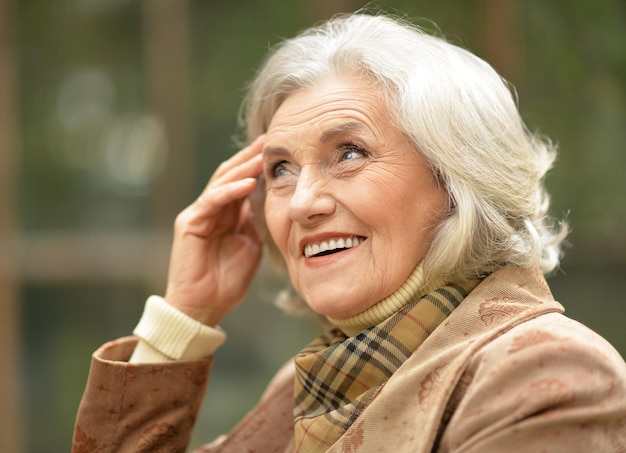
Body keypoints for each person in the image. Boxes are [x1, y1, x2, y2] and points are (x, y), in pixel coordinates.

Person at [72, 12, 626, 453]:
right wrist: (183, 319)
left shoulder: (547, 370)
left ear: (458, 178)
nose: (303, 203)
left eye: (349, 153)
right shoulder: (303, 385)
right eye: (280, 170)